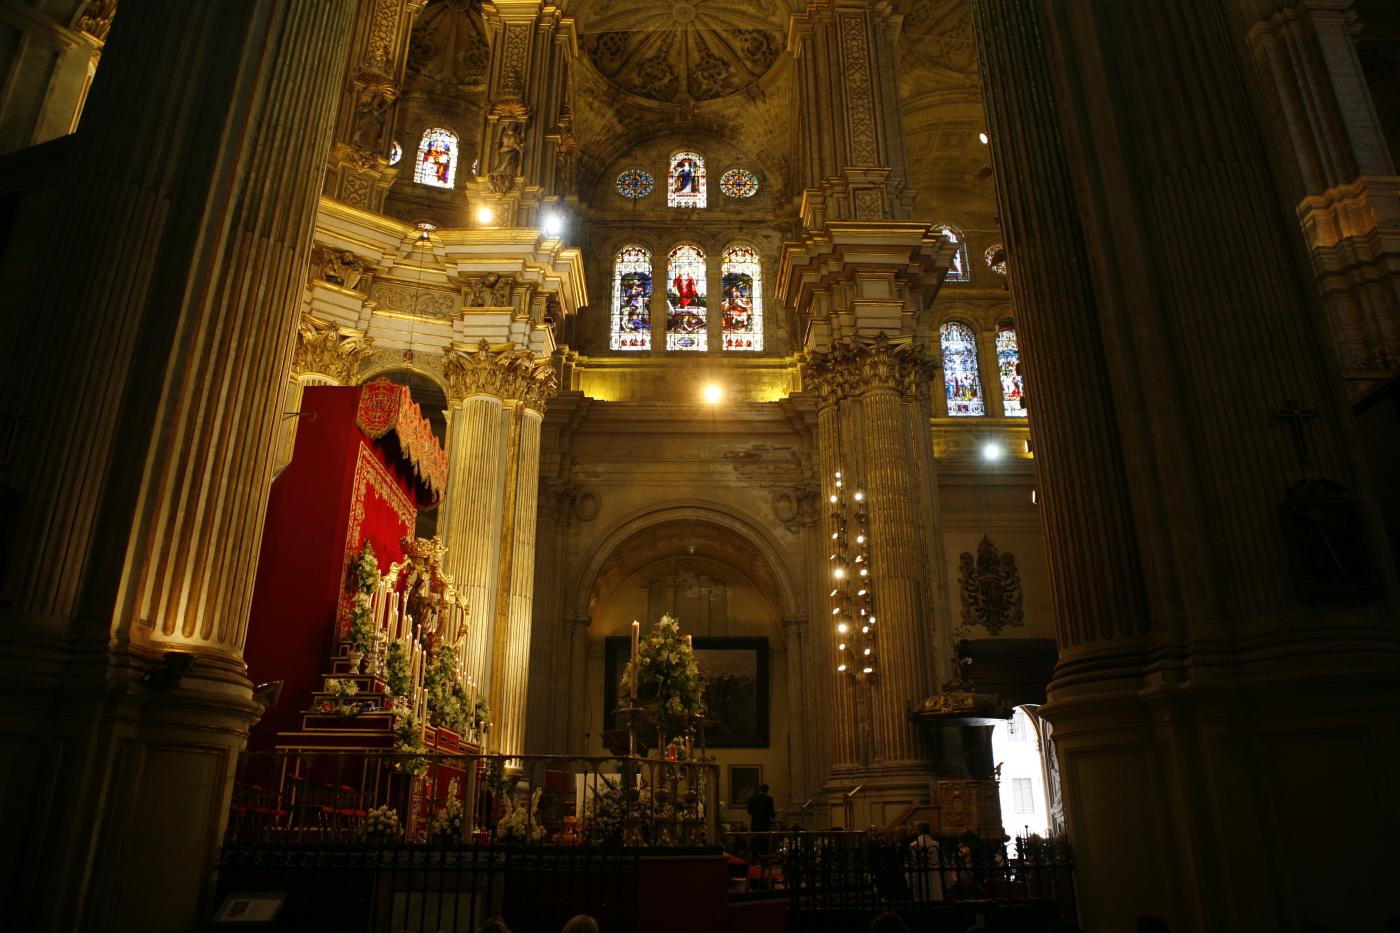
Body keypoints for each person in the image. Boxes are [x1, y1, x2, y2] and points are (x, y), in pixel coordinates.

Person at [908, 820, 943, 903]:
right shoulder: (936, 844)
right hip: (934, 872)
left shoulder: (913, 845)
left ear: (918, 831)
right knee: (934, 894)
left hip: (919, 873)